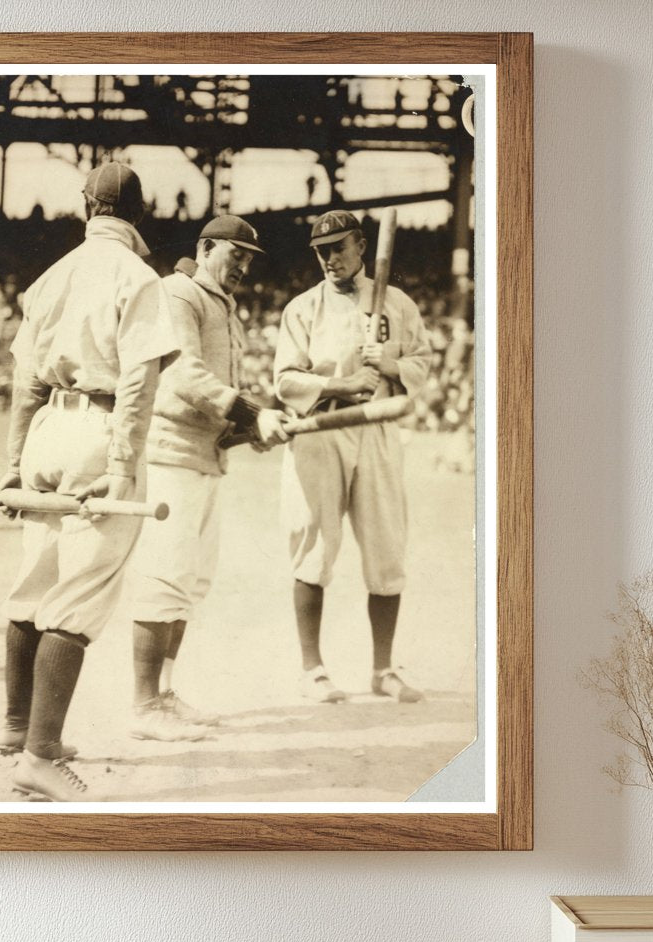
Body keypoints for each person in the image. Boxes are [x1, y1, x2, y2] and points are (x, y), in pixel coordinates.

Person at [0, 162, 177, 802]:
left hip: (47, 427)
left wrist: (15, 461)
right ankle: (41, 756)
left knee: (34, 583)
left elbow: (25, 381)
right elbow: (138, 381)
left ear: (86, 211)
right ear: (139, 215)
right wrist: (124, 464)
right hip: (100, 430)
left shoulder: (53, 276)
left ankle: (18, 729)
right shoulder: (140, 276)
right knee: (78, 594)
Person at [129, 216, 289, 741]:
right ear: (205, 248)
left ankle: (165, 695)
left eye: (248, 258)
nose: (242, 265)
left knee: (191, 583)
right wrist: (249, 413)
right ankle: (143, 705)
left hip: (205, 459)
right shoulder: (178, 292)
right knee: (163, 578)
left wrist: (249, 431)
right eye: (234, 253)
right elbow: (181, 376)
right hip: (170, 457)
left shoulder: (225, 306)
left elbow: (220, 403)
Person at [274, 210, 432, 704]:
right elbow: (285, 381)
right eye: (321, 251)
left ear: (362, 246)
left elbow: (423, 364)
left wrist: (388, 364)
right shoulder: (303, 307)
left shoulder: (399, 305)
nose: (329, 258)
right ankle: (313, 667)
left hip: (379, 425)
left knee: (387, 550)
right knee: (314, 546)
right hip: (323, 426)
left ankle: (383, 669)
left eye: (338, 247)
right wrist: (341, 382)